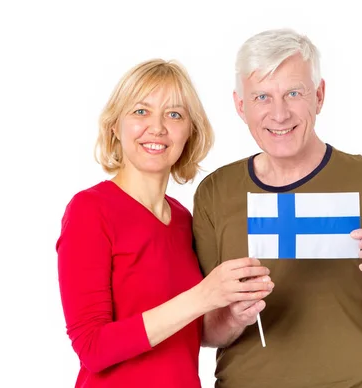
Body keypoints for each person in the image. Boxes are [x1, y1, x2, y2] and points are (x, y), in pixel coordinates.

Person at [192, 29, 362, 388]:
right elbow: (205, 331)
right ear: (240, 106)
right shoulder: (215, 192)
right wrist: (233, 317)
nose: (279, 113)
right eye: (261, 96)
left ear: (319, 96)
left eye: (294, 93)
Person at [56, 59, 274, 388]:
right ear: (116, 125)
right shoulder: (90, 211)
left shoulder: (184, 220)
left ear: (190, 132)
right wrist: (202, 296)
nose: (157, 127)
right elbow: (92, 348)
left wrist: (232, 315)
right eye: (141, 111)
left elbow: (191, 333)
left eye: (174, 115)